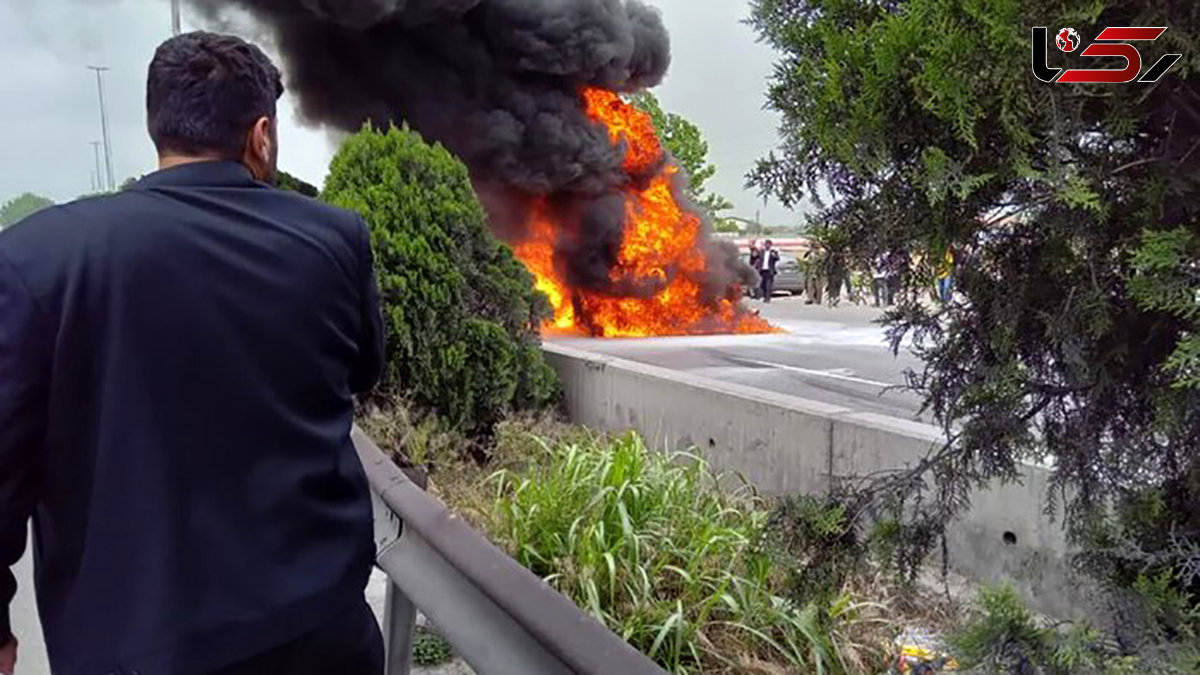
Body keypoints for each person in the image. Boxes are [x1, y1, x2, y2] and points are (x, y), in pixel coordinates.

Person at [0, 32, 385, 675]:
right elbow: (362, 373)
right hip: (319, 635)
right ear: (261, 135)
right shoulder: (334, 239)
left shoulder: (38, 259)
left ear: (158, 129)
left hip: (132, 648)